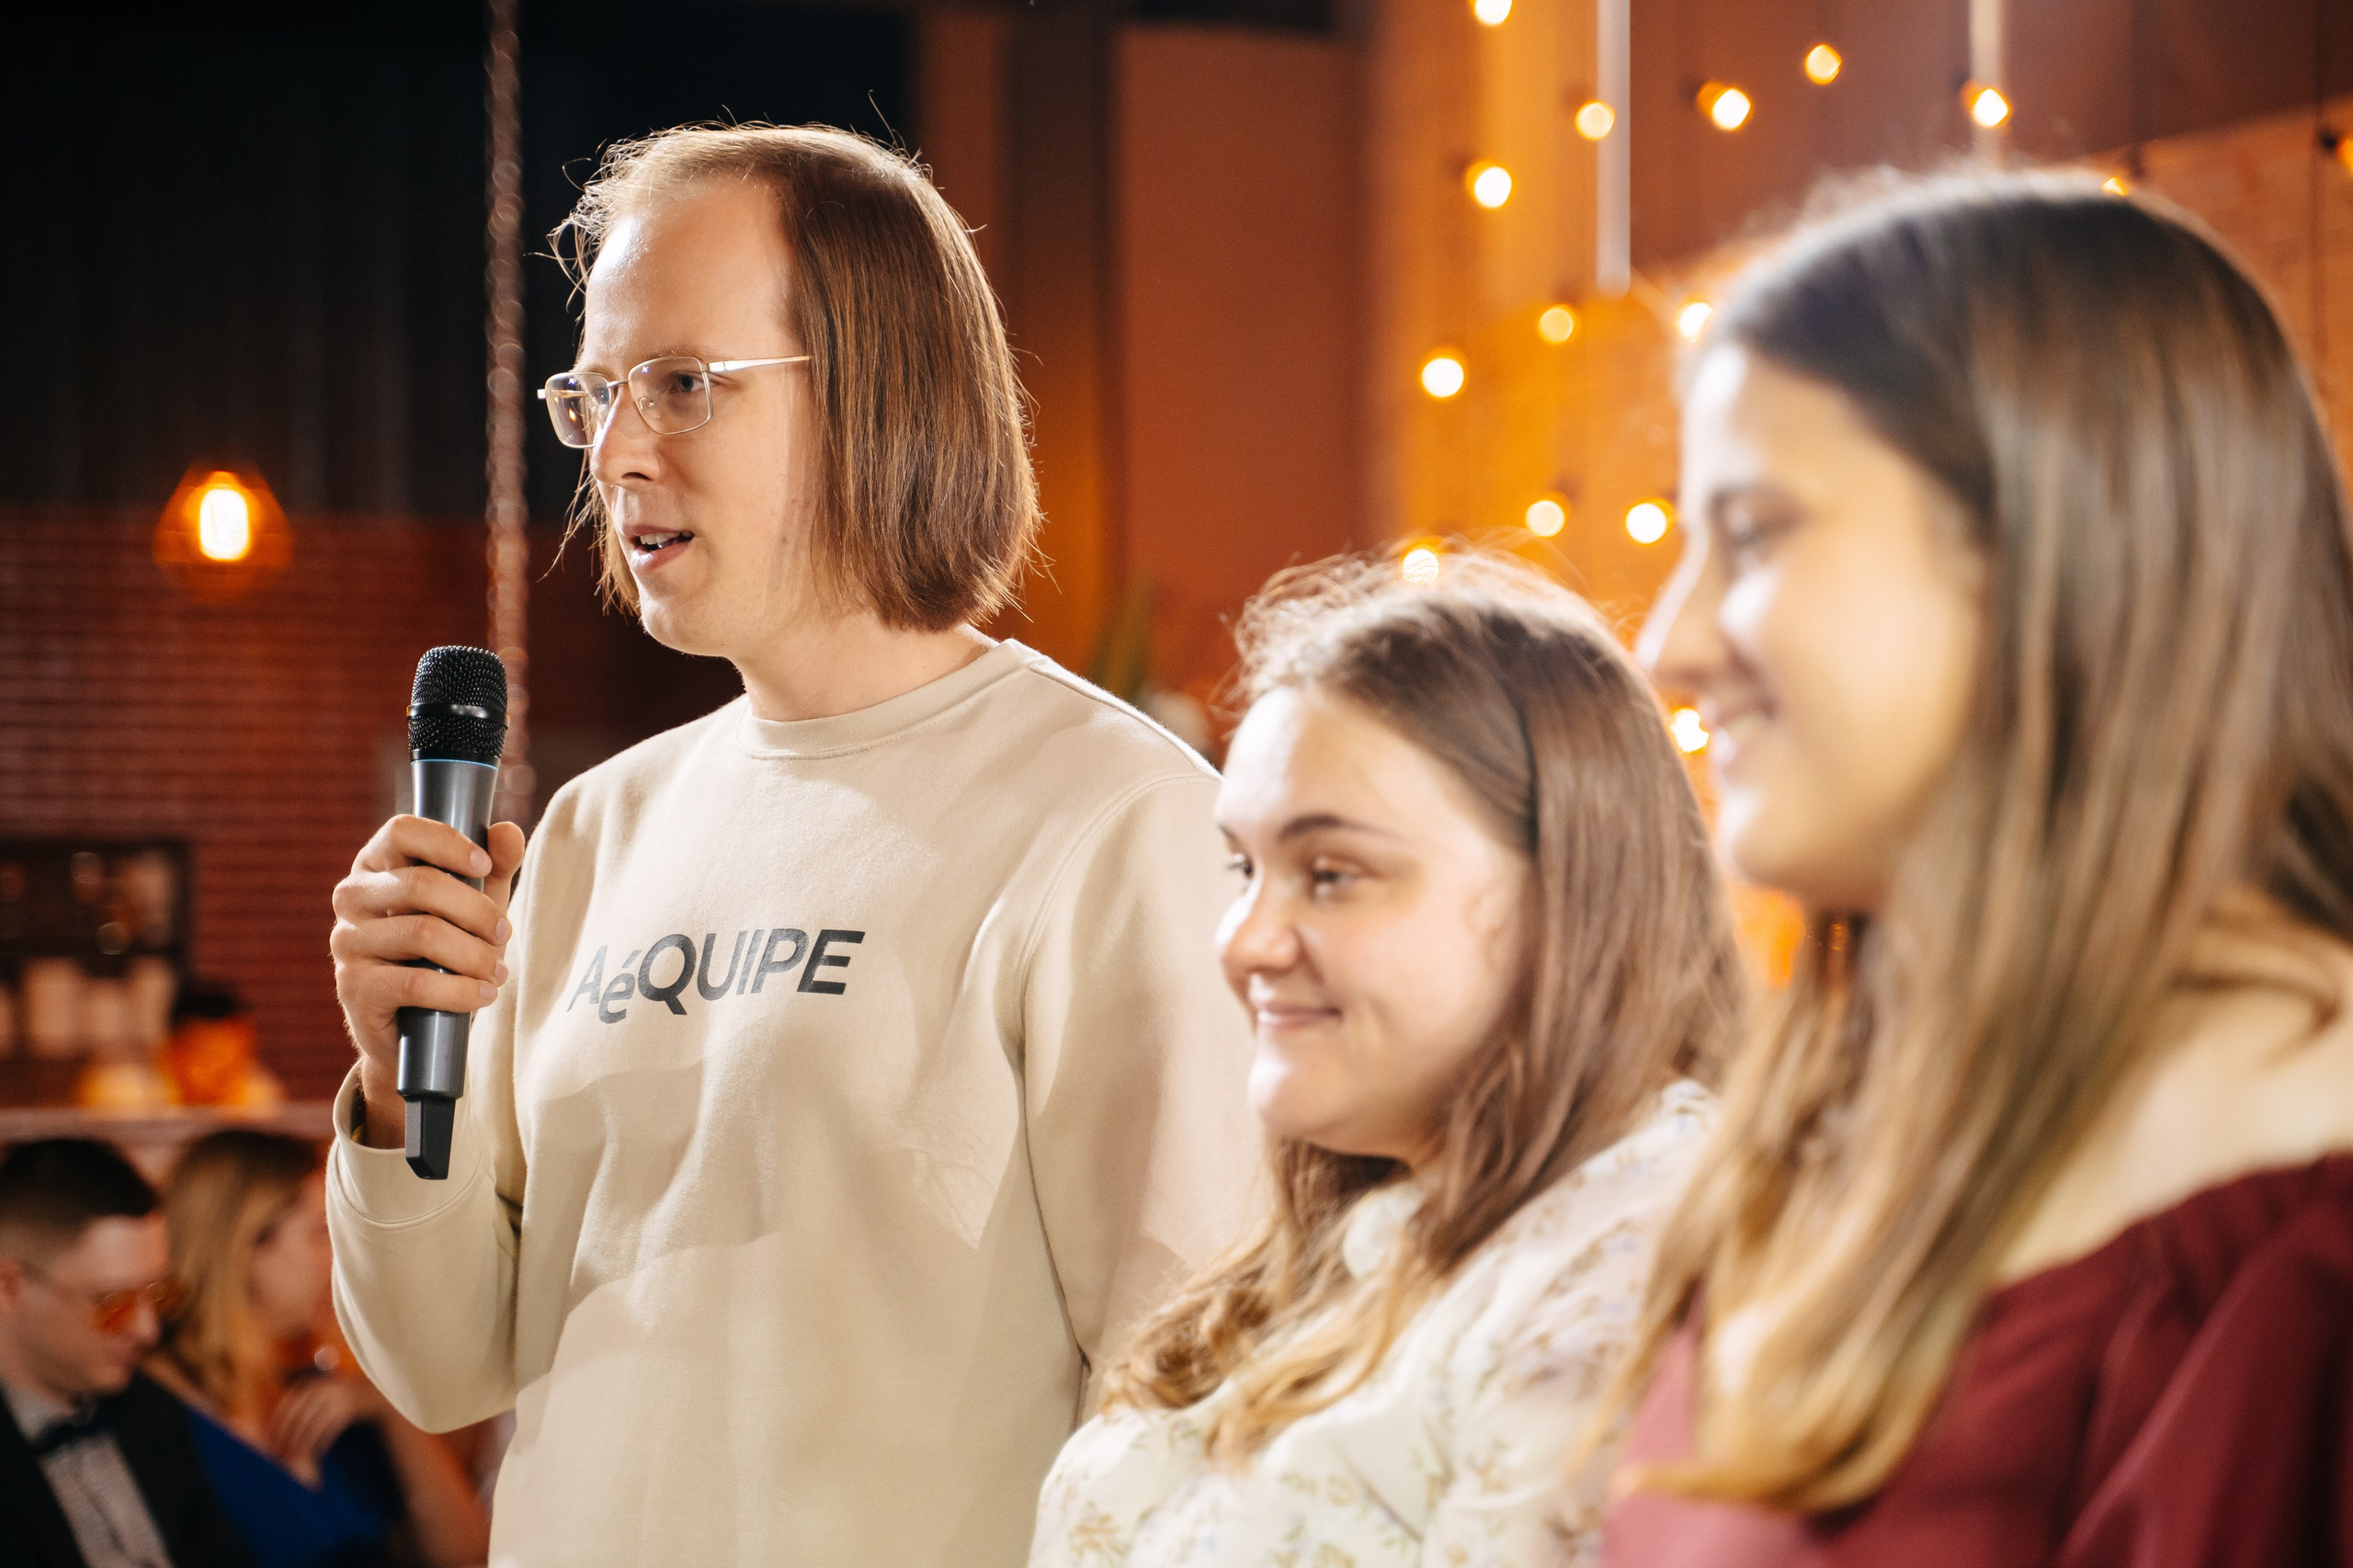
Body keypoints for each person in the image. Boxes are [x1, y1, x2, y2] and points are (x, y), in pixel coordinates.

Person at [323, 124, 1258, 1566]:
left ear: (879, 393)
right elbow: (443, 1362)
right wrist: (395, 1082)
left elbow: (1184, 1406)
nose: (620, 451)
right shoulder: (595, 827)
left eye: (684, 386)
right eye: (599, 393)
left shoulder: (1109, 814)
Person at [1608, 170, 2353, 1563]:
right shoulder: (1821, 1115)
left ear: (2055, 548)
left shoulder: (2303, 1238)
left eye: (1756, 534)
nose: (1671, 644)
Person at [1030, 550, 1743, 1566]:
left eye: (1331, 873)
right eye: (1244, 867)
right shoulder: (1367, 1233)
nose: (1242, 939)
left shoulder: (1636, 1265)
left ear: (1567, 894)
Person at [144, 1131, 489, 1568]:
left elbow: (463, 1555)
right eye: (320, 1234)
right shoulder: (156, 1414)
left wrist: (389, 1411)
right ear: (247, 1245)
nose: (340, 1258)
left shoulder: (326, 1391)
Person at [0, 1138, 247, 1568]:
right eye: (113, 1304)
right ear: (9, 1286)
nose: (148, 1330)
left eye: (158, 1294)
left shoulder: (153, 1412)